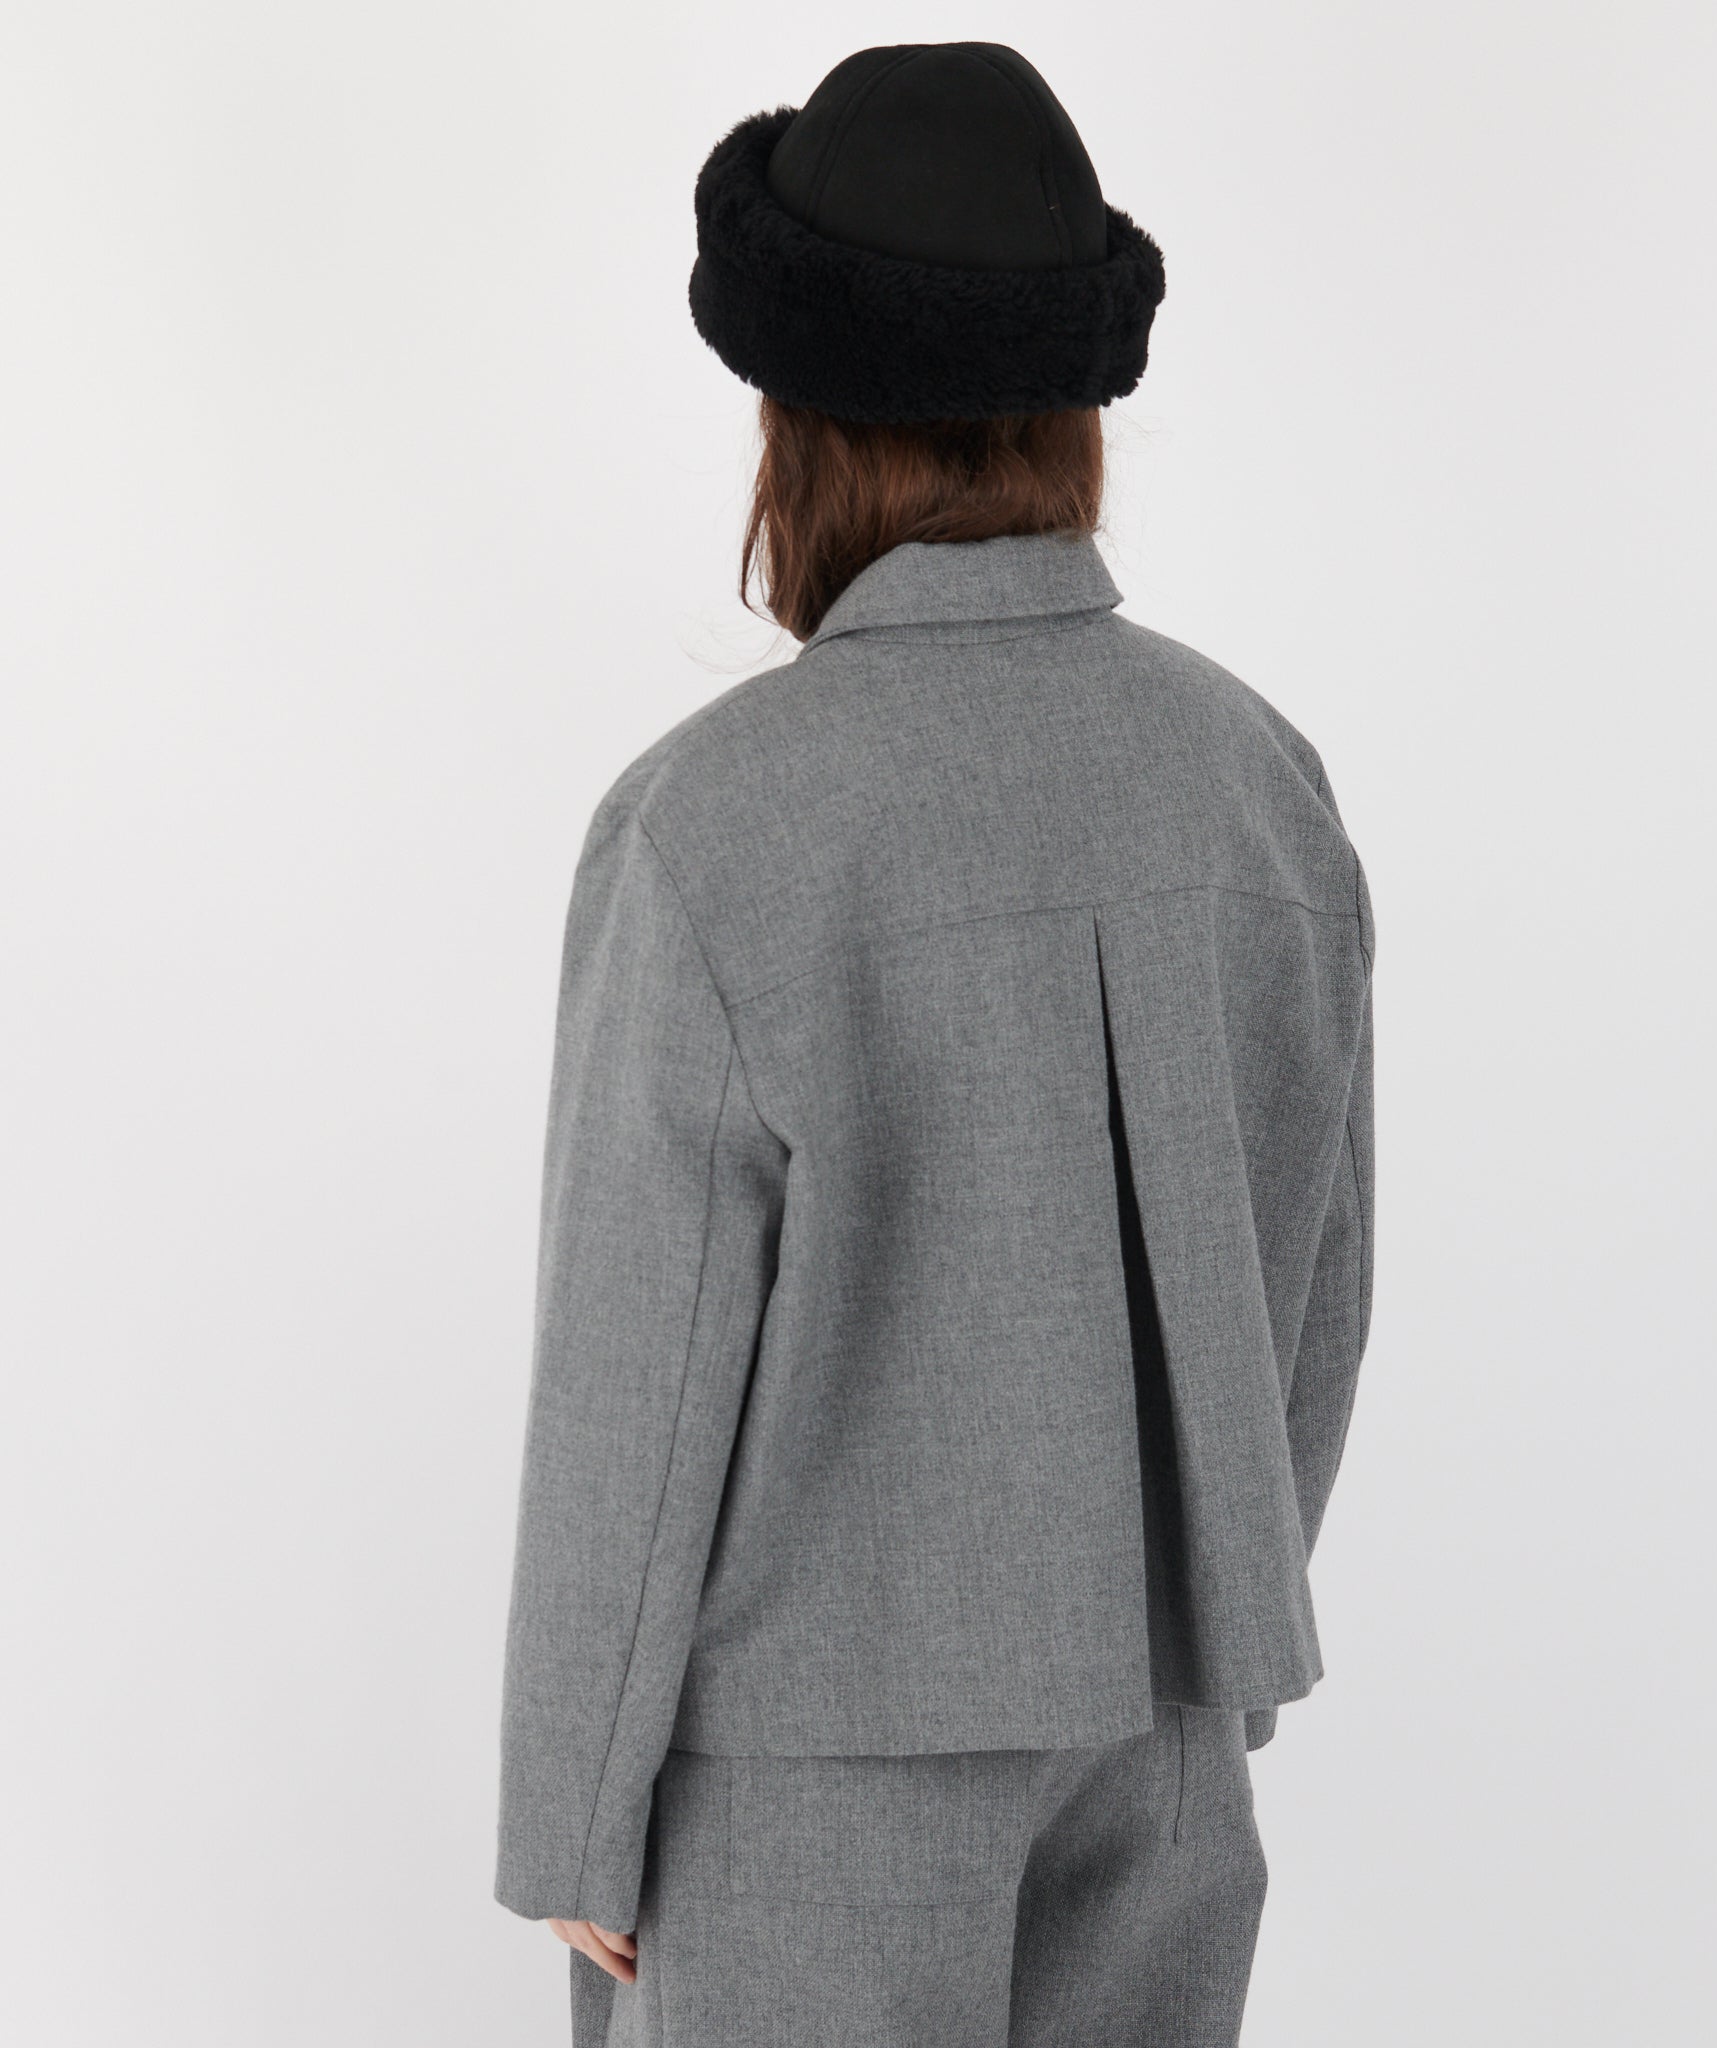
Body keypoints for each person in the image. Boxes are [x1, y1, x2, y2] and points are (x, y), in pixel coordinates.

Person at [494, 41, 1375, 2048]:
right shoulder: (1260, 785)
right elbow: (1314, 1285)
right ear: (1074, 411)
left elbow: (639, 1368)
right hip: (1161, 1735)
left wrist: (573, 1816)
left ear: (793, 427)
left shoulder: (713, 825)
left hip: (803, 1764)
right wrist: (1211, 1619)